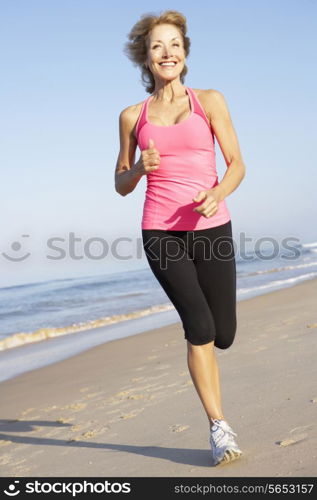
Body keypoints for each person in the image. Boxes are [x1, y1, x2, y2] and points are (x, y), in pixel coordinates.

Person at [115, 9, 246, 466]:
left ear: (184, 52)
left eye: (174, 44)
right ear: (146, 60)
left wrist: (217, 193)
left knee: (224, 334)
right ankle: (219, 427)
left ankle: (216, 408)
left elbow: (237, 164)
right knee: (200, 328)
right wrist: (137, 169)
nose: (167, 52)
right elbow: (120, 182)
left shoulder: (209, 101)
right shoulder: (133, 116)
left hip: (212, 228)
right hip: (161, 231)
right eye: (157, 46)